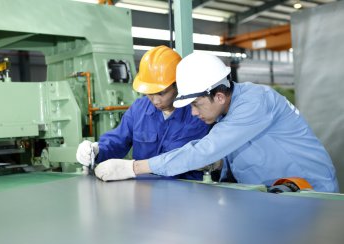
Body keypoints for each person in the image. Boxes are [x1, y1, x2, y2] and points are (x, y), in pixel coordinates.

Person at [94, 51, 339, 193]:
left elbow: (205, 149)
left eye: (195, 105)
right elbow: (225, 152)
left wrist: (134, 167)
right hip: (273, 195)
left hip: (310, 192)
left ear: (218, 96)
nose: (192, 113)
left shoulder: (255, 102)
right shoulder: (225, 111)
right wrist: (218, 165)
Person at [76, 46, 211, 180]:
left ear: (178, 84)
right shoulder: (139, 109)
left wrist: (132, 168)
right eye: (150, 93)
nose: (155, 100)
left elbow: (186, 158)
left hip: (187, 192)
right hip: (144, 192)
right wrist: (97, 150)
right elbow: (118, 139)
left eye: (161, 93)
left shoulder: (198, 114)